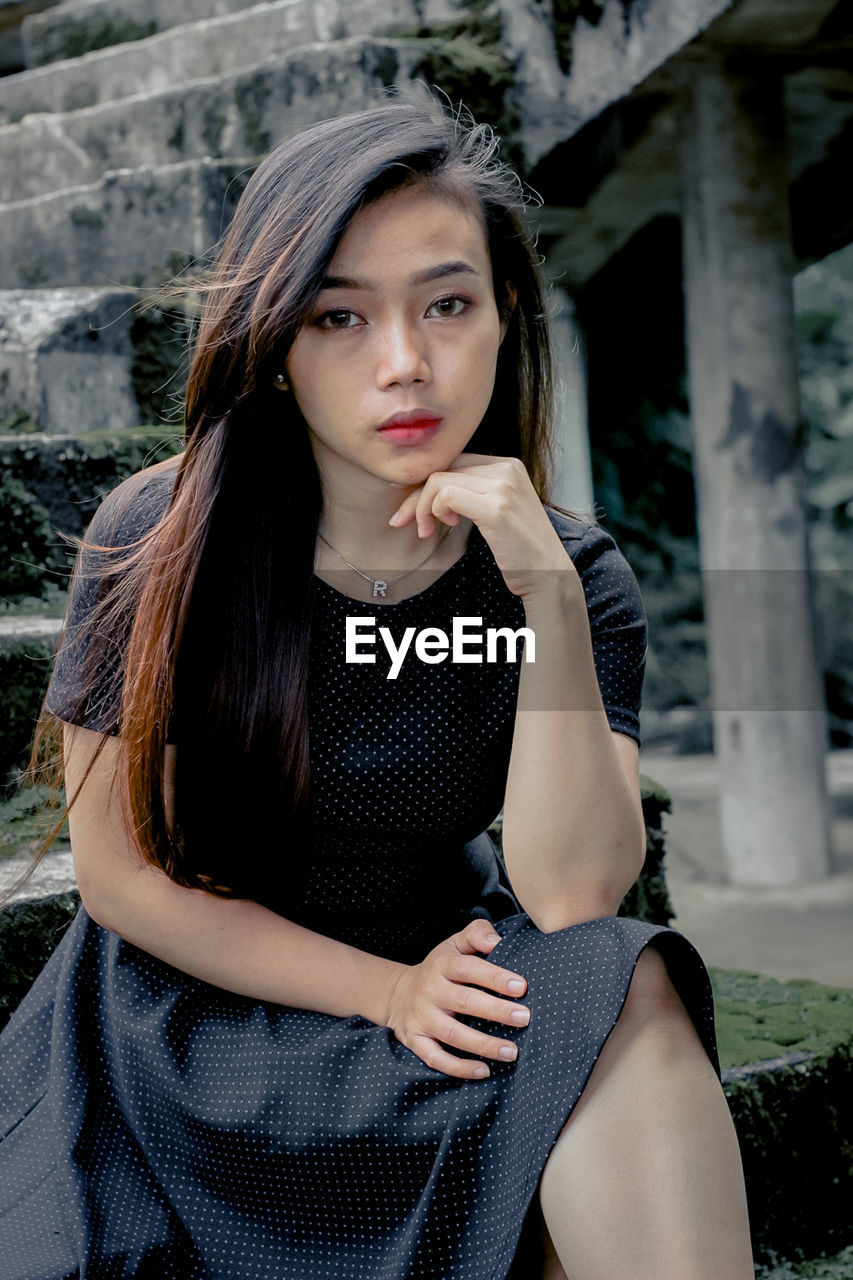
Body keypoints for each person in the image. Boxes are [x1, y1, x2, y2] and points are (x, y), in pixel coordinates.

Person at [0, 96, 754, 1279]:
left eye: (446, 304)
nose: (405, 362)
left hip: (450, 976)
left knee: (630, 981)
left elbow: (570, 897)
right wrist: (384, 990)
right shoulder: (159, 536)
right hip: (193, 1018)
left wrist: (545, 601)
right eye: (339, 316)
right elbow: (118, 879)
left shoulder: (568, 572)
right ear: (278, 348)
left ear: (505, 316)